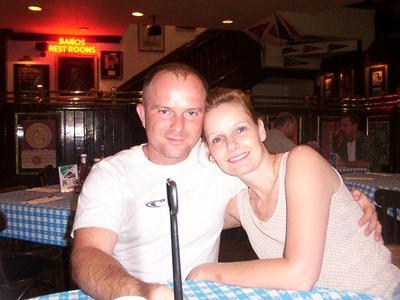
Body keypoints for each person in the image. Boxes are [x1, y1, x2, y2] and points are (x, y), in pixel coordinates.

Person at [70, 63, 381, 300]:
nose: (178, 126)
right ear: (141, 114)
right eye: (164, 110)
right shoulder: (111, 175)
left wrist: (351, 203)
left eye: (191, 113)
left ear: (261, 130)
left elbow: (292, 187)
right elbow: (88, 254)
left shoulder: (222, 165)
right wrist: (139, 291)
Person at [188, 88, 399, 298]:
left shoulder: (301, 162)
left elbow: (300, 274)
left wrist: (208, 272)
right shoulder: (239, 205)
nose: (231, 144)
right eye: (217, 139)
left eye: (240, 129)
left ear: (261, 130)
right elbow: (184, 218)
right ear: (210, 154)